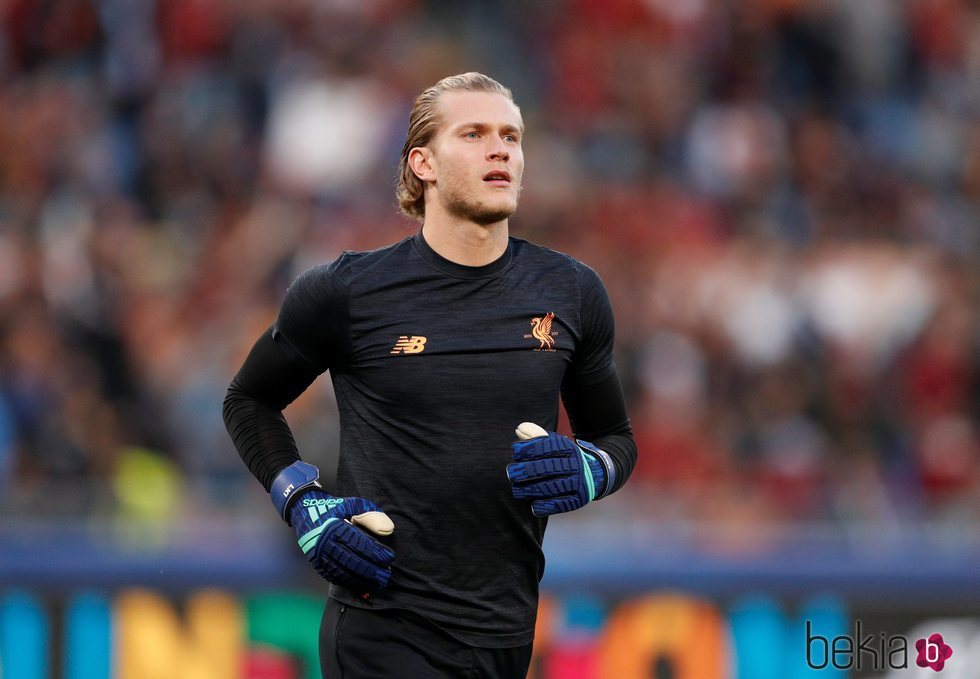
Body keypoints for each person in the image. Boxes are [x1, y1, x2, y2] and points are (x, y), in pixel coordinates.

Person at [223, 72, 637, 679]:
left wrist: (592, 470)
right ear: (423, 163)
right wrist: (302, 503)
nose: (500, 150)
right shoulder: (346, 291)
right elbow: (248, 400)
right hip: (384, 627)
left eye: (511, 137)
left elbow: (616, 439)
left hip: (507, 632)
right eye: (473, 134)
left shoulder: (572, 291)